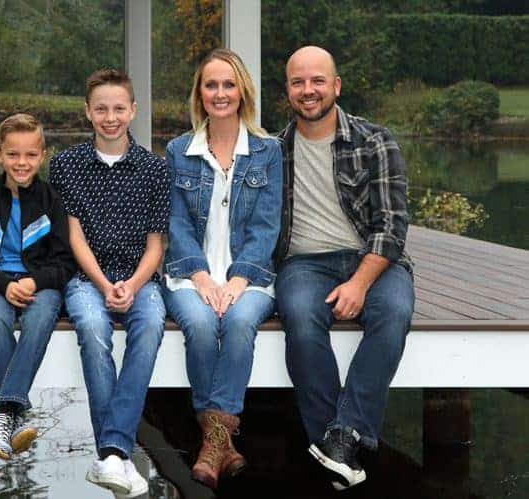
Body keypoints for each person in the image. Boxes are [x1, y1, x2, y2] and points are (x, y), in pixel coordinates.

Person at [274, 45, 415, 491]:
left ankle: (343, 435)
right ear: (288, 91)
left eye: (317, 81)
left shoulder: (375, 140)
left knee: (392, 313)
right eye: (298, 82)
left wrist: (358, 283)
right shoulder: (274, 150)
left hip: (372, 259)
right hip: (304, 264)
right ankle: (334, 446)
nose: (308, 90)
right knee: (298, 314)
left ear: (335, 85)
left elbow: (392, 228)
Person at [162, 48, 282, 489]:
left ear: (242, 91)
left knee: (236, 324)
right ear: (200, 93)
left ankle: (211, 442)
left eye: (228, 84)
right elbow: (175, 223)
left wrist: (236, 279)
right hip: (188, 275)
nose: (220, 93)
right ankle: (221, 442)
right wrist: (200, 277)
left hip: (249, 278)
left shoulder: (268, 151)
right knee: (197, 323)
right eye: (211, 85)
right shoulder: (179, 150)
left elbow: (267, 224)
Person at [48, 69, 169, 498]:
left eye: (119, 108)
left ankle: (110, 454)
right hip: (87, 277)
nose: (110, 117)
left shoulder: (155, 168)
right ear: (88, 111)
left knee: (150, 326)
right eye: (101, 109)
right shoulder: (67, 165)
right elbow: (74, 236)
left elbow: (156, 245)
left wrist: (133, 285)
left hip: (142, 279)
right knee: (94, 330)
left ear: (133, 111)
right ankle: (117, 452)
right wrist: (103, 284)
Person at [0, 113, 76, 460]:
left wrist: (33, 281)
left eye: (29, 155)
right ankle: (14, 411)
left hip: (41, 282)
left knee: (41, 318)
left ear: (42, 155)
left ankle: (3, 415)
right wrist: (6, 285)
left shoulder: (52, 201)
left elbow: (64, 262)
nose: (21, 163)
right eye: (13, 154)